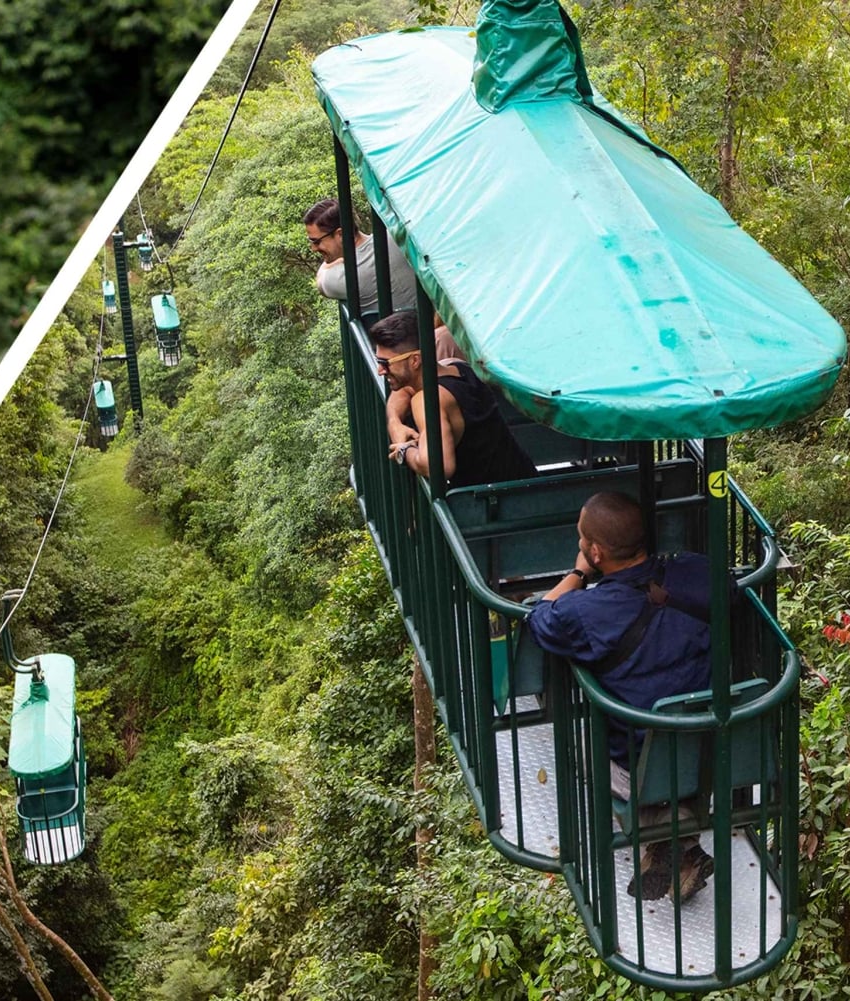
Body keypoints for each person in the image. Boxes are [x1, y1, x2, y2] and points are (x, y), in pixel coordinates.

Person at [523, 491, 717, 901]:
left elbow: (539, 617)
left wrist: (576, 576)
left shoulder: (587, 612)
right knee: (662, 739)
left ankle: (666, 837)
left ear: (594, 551)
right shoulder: (700, 572)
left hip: (640, 759)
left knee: (584, 739)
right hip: (712, 743)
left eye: (581, 539)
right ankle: (679, 847)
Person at [372, 310, 536, 488]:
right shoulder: (455, 365)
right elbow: (402, 392)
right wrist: (395, 423)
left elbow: (438, 467)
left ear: (414, 361)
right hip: (526, 483)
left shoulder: (428, 401)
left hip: (495, 504)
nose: (380, 370)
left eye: (385, 363)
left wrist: (404, 450)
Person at [303, 197, 417, 311]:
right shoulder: (396, 238)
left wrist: (330, 263)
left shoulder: (345, 276)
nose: (313, 248)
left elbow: (321, 278)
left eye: (317, 241)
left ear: (341, 234)